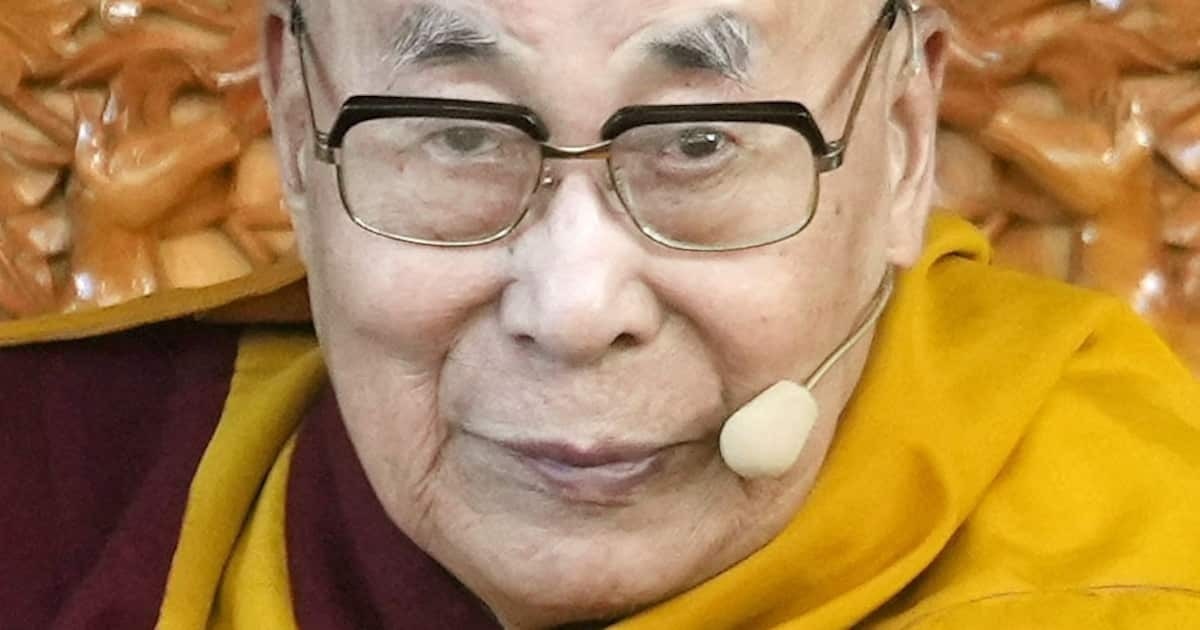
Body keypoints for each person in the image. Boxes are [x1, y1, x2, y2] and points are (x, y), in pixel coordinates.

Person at [4, 0, 1200, 628]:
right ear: (294, 123)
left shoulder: (1134, 570)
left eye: (702, 141)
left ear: (901, 141)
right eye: (458, 133)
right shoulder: (54, 489)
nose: (574, 309)